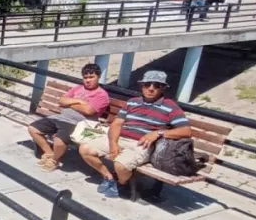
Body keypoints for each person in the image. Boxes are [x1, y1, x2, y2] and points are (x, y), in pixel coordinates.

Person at [78, 71, 192, 199]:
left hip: (143, 144)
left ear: (163, 88)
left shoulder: (171, 107)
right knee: (85, 149)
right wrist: (113, 143)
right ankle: (108, 177)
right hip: (121, 138)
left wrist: (158, 133)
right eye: (147, 84)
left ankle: (121, 183)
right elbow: (116, 124)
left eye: (157, 85)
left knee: (121, 165)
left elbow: (186, 131)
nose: (151, 88)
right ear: (142, 86)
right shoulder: (132, 102)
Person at [27, 63, 110, 172]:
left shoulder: (101, 95)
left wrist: (69, 103)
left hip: (79, 123)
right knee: (33, 128)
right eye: (85, 78)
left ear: (98, 77)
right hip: (61, 117)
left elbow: (89, 111)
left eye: (91, 77)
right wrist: (79, 101)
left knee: (59, 140)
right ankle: (49, 154)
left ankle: (54, 161)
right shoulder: (78, 88)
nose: (88, 80)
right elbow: (61, 101)